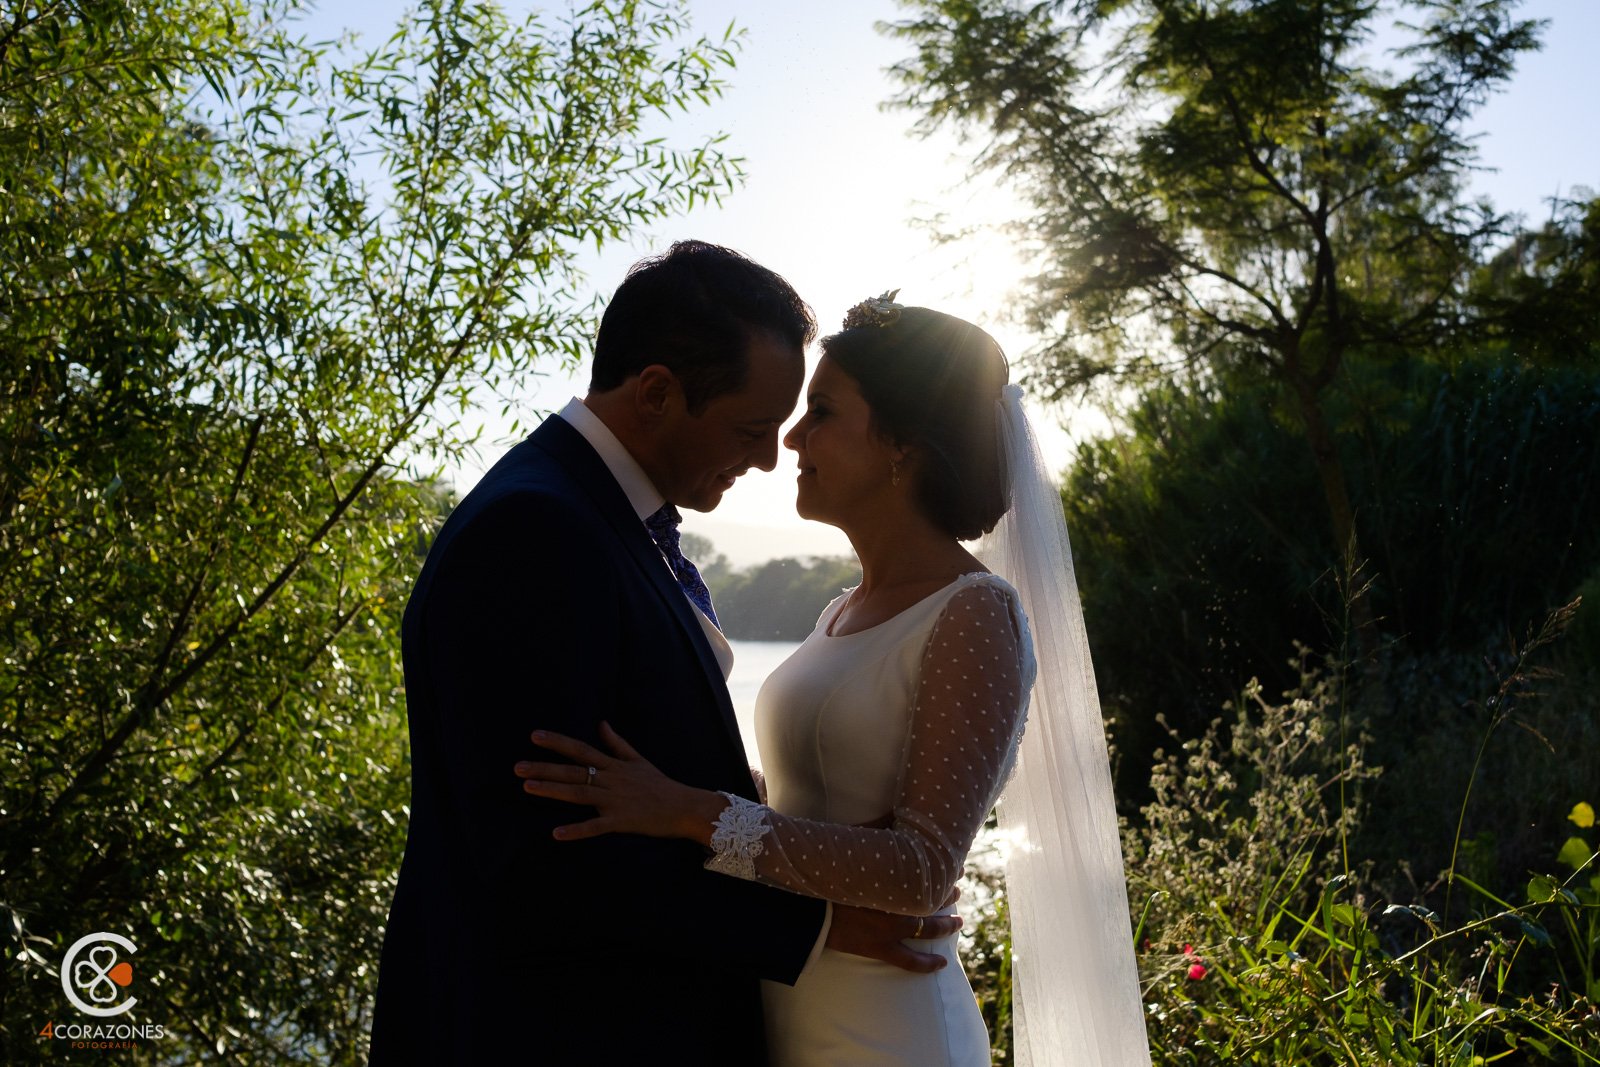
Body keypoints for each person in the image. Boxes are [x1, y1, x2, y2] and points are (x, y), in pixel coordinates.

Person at [515, 295, 1153, 1065]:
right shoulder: (839, 610)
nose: (790, 438)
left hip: (888, 1024)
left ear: (902, 445)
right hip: (795, 1000)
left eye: (821, 411)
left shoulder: (974, 612)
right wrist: (668, 783)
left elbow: (923, 870)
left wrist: (687, 811)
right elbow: (806, 802)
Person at [368, 248, 958, 1066]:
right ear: (655, 392)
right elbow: (545, 858)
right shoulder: (535, 532)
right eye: (750, 429)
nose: (769, 457)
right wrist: (819, 923)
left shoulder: (597, 516)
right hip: (554, 1036)